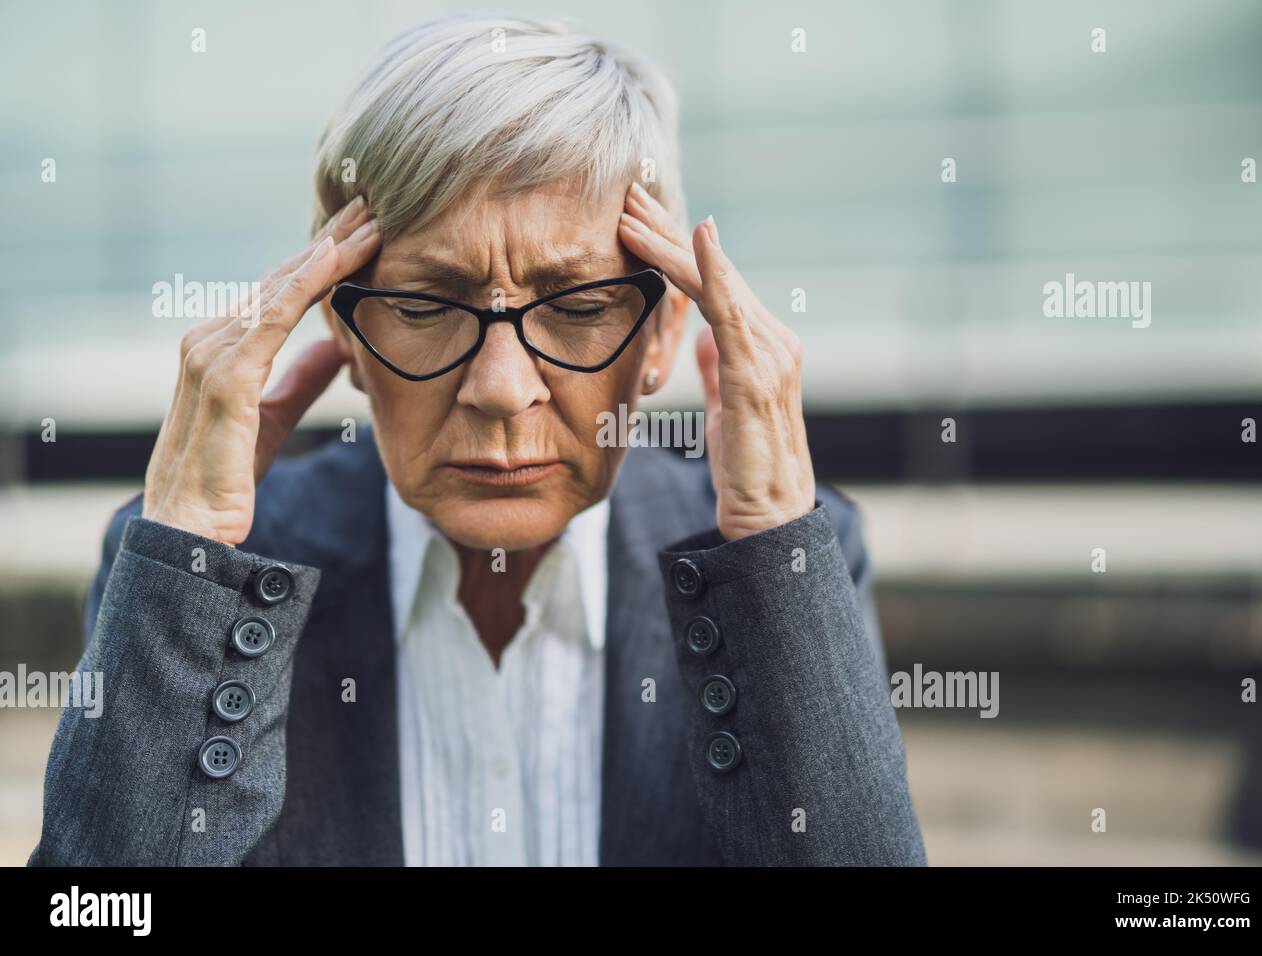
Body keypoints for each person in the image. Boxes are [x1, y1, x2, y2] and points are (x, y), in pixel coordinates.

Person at [29, 14, 925, 866]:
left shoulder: (788, 558)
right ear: (340, 328)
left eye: (577, 308)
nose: (501, 390)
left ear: (661, 336)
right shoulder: (199, 571)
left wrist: (773, 539)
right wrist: (184, 547)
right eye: (424, 307)